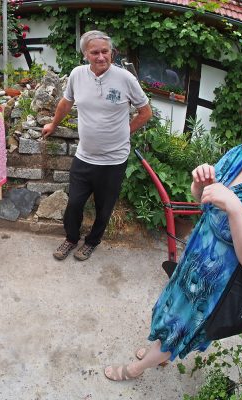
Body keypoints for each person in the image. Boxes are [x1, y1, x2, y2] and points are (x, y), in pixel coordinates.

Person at [103, 79, 242, 381]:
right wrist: (200, 185)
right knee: (169, 311)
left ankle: (134, 370)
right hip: (194, 259)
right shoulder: (238, 154)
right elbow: (203, 201)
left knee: (183, 326)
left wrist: (234, 206)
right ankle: (160, 349)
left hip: (217, 282)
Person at [42, 30, 152, 261]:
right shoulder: (77, 75)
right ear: (85, 54)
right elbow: (65, 102)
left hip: (114, 161)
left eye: (105, 51)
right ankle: (71, 238)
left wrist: (125, 132)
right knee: (74, 204)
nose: (101, 57)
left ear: (111, 52)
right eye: (95, 52)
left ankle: (92, 242)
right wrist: (53, 124)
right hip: (84, 157)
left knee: (104, 208)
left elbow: (145, 112)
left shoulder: (125, 79)